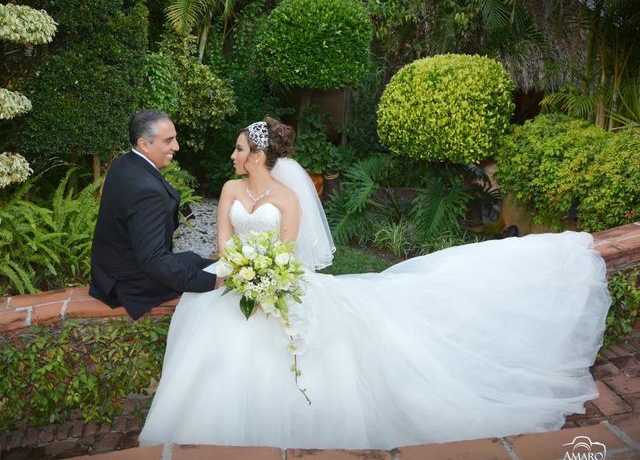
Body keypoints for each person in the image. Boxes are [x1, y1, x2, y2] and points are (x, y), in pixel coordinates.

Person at [138, 117, 611, 449]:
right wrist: (241, 270)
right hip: (232, 282)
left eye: (240, 148)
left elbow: (285, 250)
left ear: (258, 154)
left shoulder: (287, 198)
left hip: (276, 281)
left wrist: (265, 275)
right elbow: (223, 240)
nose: (234, 155)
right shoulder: (229, 189)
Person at [89, 109, 217, 320]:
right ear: (144, 144)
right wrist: (212, 283)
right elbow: (153, 260)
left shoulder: (125, 163)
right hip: (129, 285)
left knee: (196, 260)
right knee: (215, 280)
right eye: (169, 141)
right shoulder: (146, 190)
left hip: (110, 274)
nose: (176, 146)